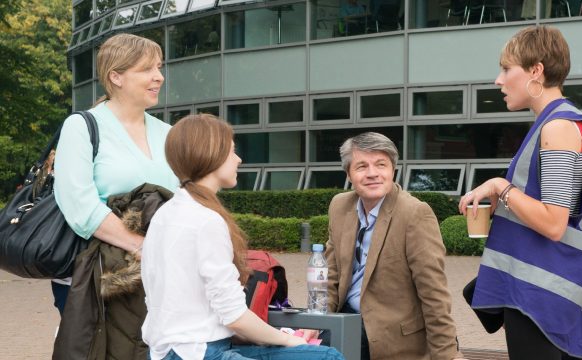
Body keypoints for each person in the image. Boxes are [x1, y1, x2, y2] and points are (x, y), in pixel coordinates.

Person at [141, 114, 344, 360]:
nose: (239, 159)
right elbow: (234, 316)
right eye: (232, 151)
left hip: (168, 350)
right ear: (211, 155)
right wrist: (290, 339)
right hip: (197, 351)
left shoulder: (167, 214)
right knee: (325, 357)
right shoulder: (205, 220)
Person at [458, 25, 582, 360]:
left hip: (540, 296)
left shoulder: (557, 127)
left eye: (507, 69)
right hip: (547, 291)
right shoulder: (556, 123)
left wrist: (500, 186)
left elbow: (554, 222)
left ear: (536, 70)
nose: (499, 80)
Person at [53, 33, 178, 320]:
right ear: (116, 77)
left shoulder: (169, 133)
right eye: (147, 69)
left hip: (161, 271)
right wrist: (141, 245)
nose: (159, 77)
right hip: (96, 273)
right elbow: (79, 203)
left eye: (159, 67)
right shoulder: (82, 126)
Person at [325, 132, 464, 360]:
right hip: (344, 319)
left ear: (393, 170)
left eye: (381, 165)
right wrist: (319, 321)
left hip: (391, 333)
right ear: (349, 174)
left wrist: (446, 355)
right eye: (361, 166)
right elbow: (331, 275)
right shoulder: (339, 206)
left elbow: (433, 293)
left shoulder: (414, 214)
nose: (373, 174)